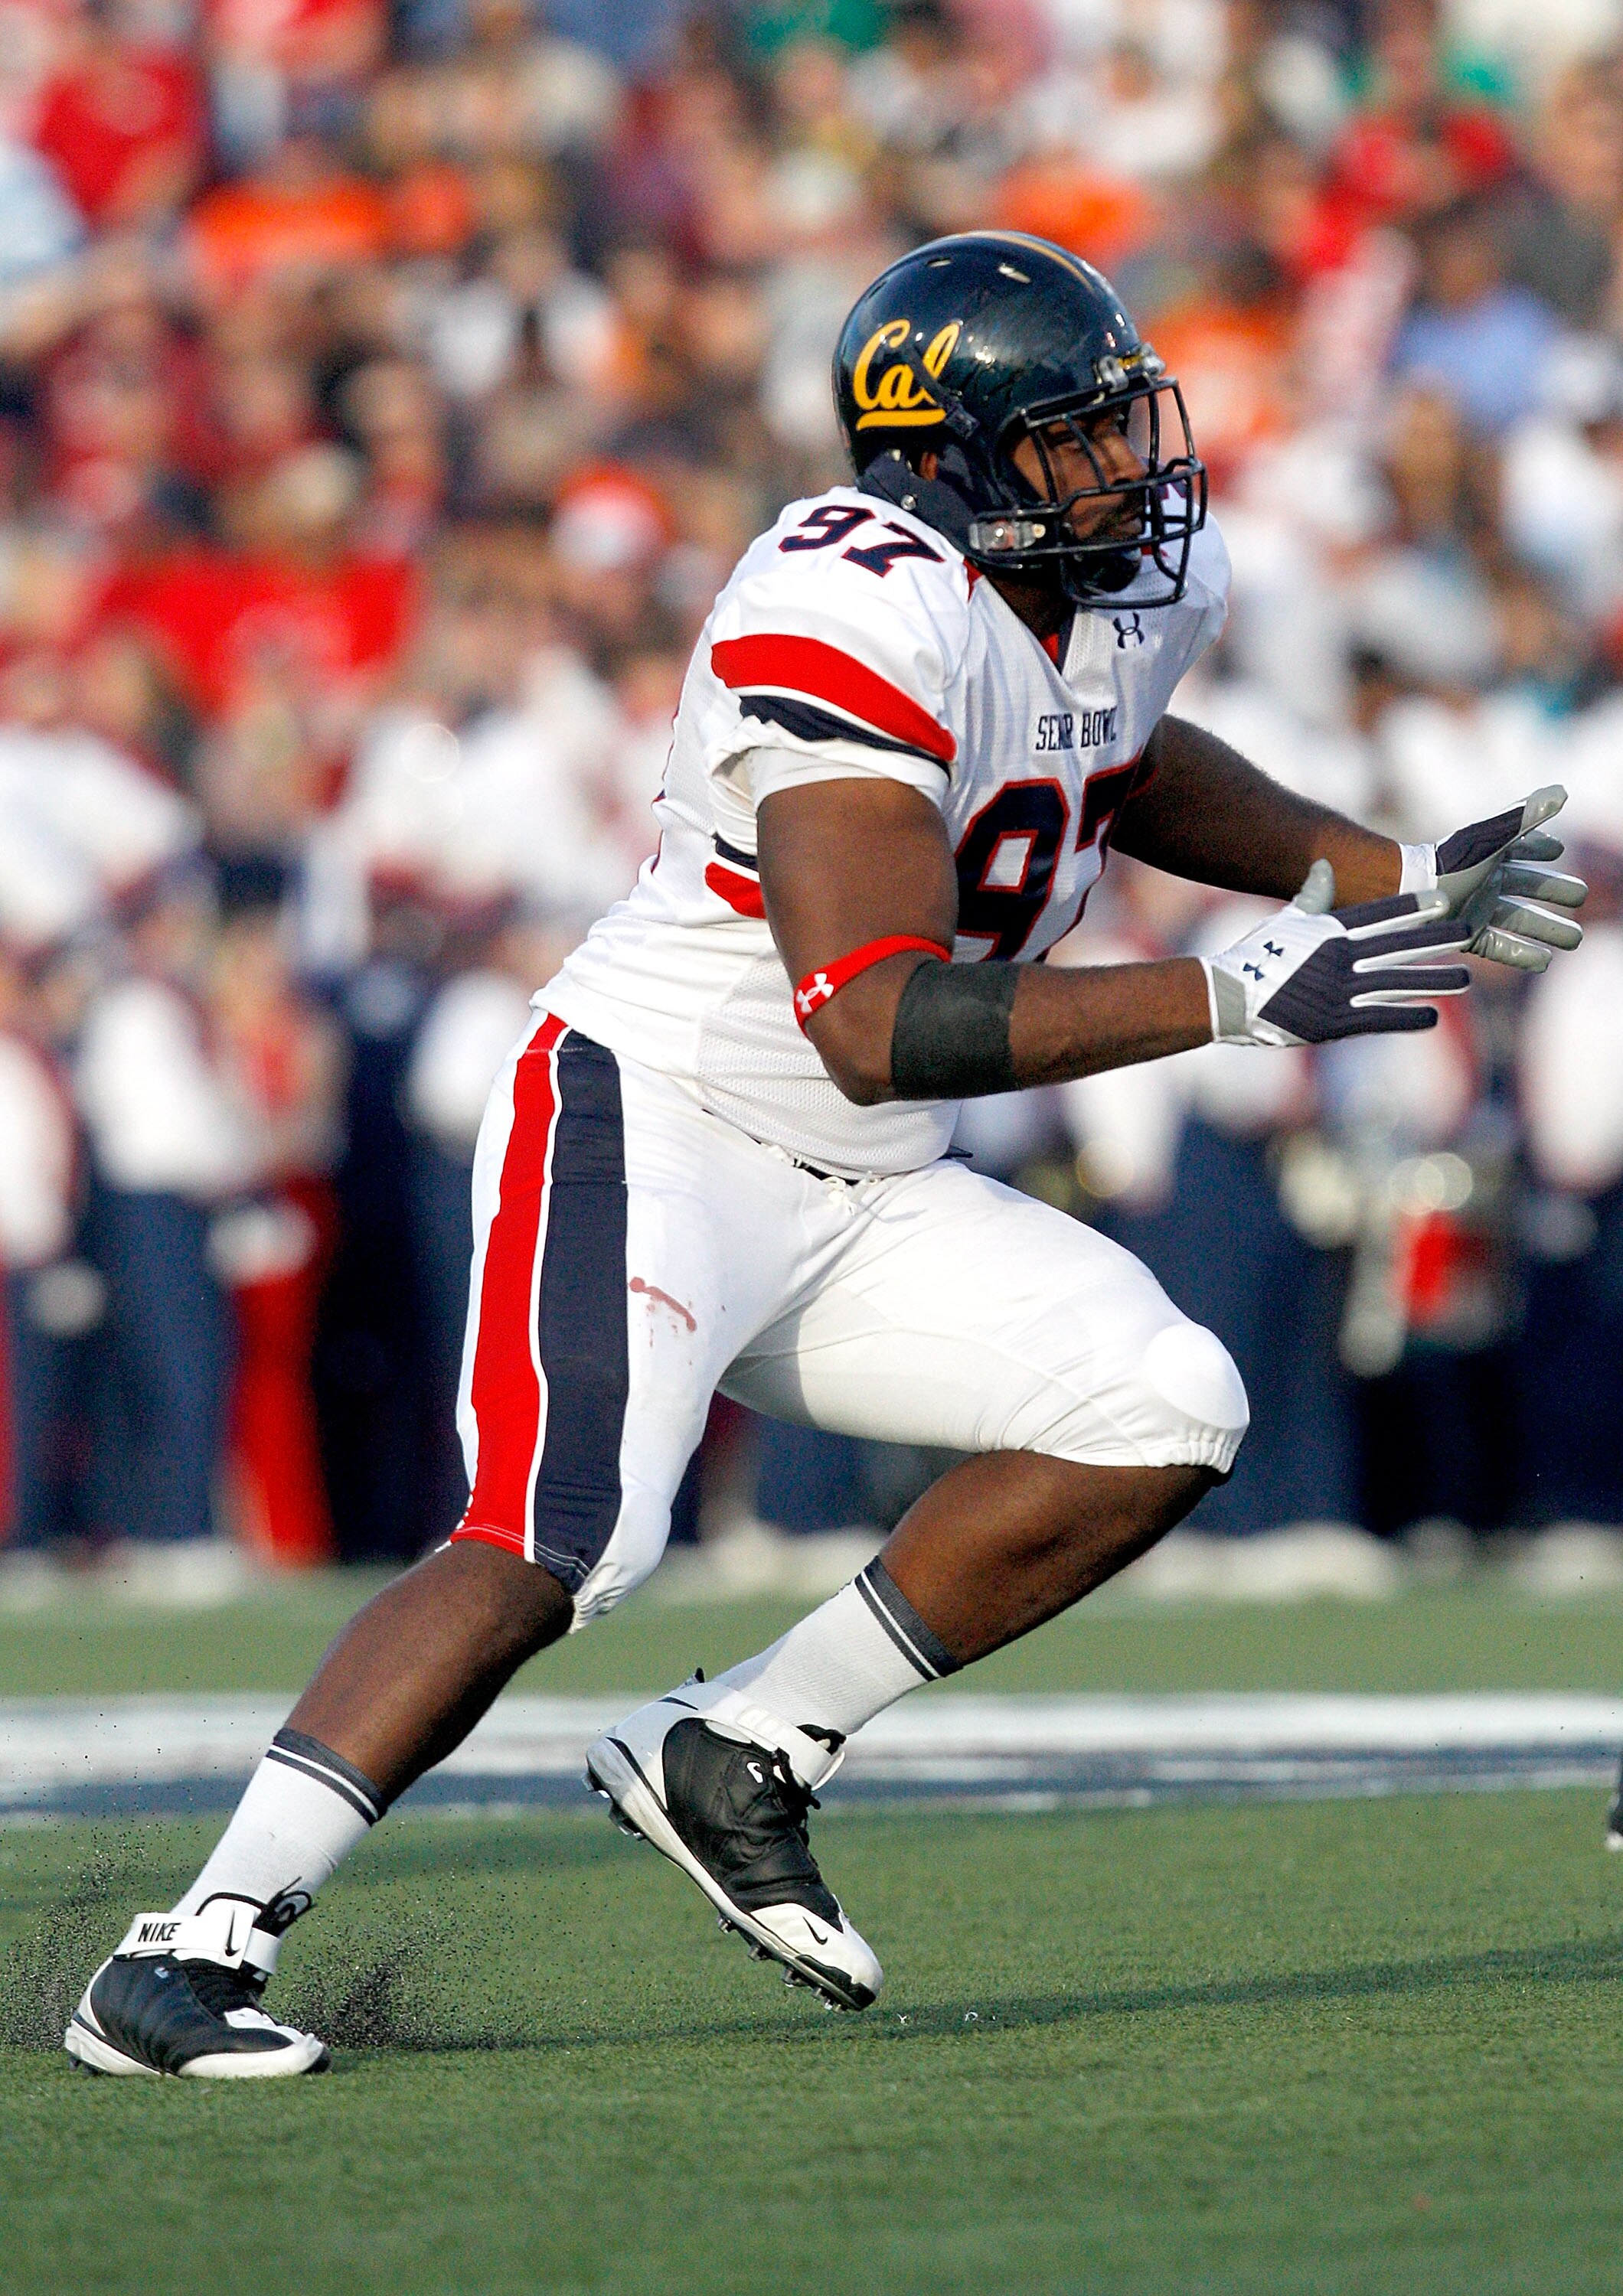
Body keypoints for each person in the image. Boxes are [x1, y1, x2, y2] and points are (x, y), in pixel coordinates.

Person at [65, 231, 1587, 2077]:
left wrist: (1384, 876)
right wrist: (1225, 992)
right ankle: (190, 1947)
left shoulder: (1093, 591)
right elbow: (868, 1012)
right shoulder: (849, 592)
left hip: (860, 1175)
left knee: (1161, 1398)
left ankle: (746, 1743)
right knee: (564, 1535)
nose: (1126, 469)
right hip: (664, 1113)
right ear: (946, 455)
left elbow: (1120, 756)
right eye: (1075, 439)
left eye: (1123, 427)